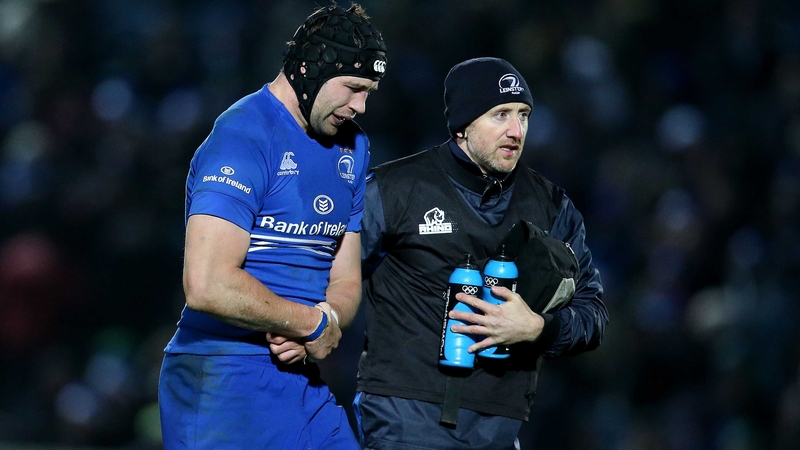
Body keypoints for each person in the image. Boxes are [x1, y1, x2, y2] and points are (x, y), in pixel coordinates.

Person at [157, 2, 387, 449]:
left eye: (369, 92)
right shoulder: (242, 135)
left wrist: (327, 321)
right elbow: (206, 284)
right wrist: (307, 323)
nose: (360, 106)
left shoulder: (353, 147)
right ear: (310, 68)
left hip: (302, 378)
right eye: (354, 87)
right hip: (221, 376)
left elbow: (345, 276)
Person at [355, 57, 608, 450]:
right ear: (462, 126)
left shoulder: (552, 208)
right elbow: (326, 271)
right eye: (501, 114)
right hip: (405, 422)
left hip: (500, 430)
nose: (516, 130)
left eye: (524, 115)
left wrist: (537, 328)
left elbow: (594, 314)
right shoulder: (394, 190)